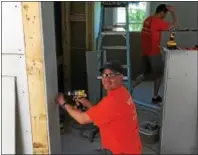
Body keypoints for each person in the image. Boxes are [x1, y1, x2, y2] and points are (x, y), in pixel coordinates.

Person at [56, 60, 142, 154]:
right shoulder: (123, 92)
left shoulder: (112, 101)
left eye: (112, 75)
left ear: (121, 77)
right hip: (132, 148)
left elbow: (82, 119)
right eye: (105, 75)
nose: (107, 79)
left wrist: (63, 103)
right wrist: (87, 103)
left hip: (119, 152)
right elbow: (105, 114)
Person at [133, 4, 178, 104]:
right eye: (165, 14)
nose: (165, 16)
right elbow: (174, 26)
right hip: (154, 52)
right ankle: (155, 96)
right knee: (159, 74)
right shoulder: (158, 22)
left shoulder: (147, 20)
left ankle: (130, 89)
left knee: (145, 73)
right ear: (162, 12)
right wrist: (173, 12)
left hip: (145, 52)